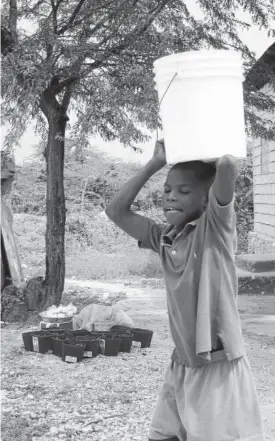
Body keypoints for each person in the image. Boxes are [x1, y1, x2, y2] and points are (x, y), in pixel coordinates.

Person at [105, 139, 264, 441]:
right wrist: (155, 163)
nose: (171, 198)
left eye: (184, 191)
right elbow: (116, 211)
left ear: (207, 200)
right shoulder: (164, 238)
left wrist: (200, 137)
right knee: (162, 435)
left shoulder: (215, 230)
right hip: (183, 363)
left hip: (217, 364)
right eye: (166, 190)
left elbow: (228, 164)